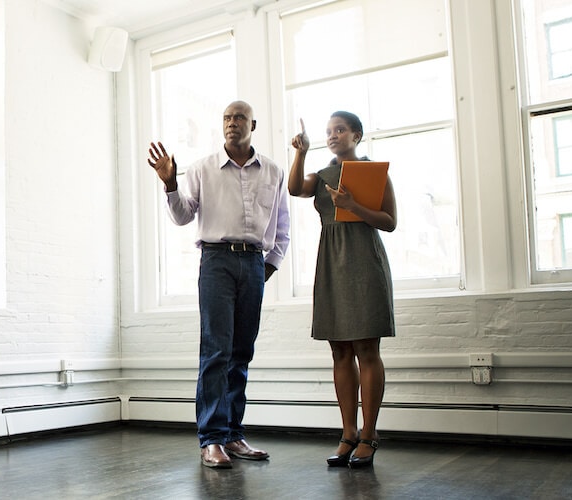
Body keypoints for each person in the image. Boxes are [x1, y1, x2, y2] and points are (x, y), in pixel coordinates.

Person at [148, 100, 290, 469]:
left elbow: (283, 228)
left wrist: (265, 269)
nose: (232, 123)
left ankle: (233, 434)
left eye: (239, 117)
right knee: (216, 352)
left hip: (253, 263)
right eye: (227, 118)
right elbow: (181, 216)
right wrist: (169, 183)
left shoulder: (273, 171)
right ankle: (211, 439)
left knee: (241, 353)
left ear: (252, 124)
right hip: (216, 261)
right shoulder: (201, 169)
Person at [287, 111, 396, 468]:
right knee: (339, 350)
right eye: (329, 131)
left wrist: (353, 206)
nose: (333, 135)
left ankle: (369, 434)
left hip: (365, 261)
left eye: (340, 130)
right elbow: (294, 189)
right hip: (332, 263)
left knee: (366, 346)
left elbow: (390, 222)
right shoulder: (321, 175)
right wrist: (300, 152)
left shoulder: (374, 172)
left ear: (357, 135)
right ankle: (348, 433)